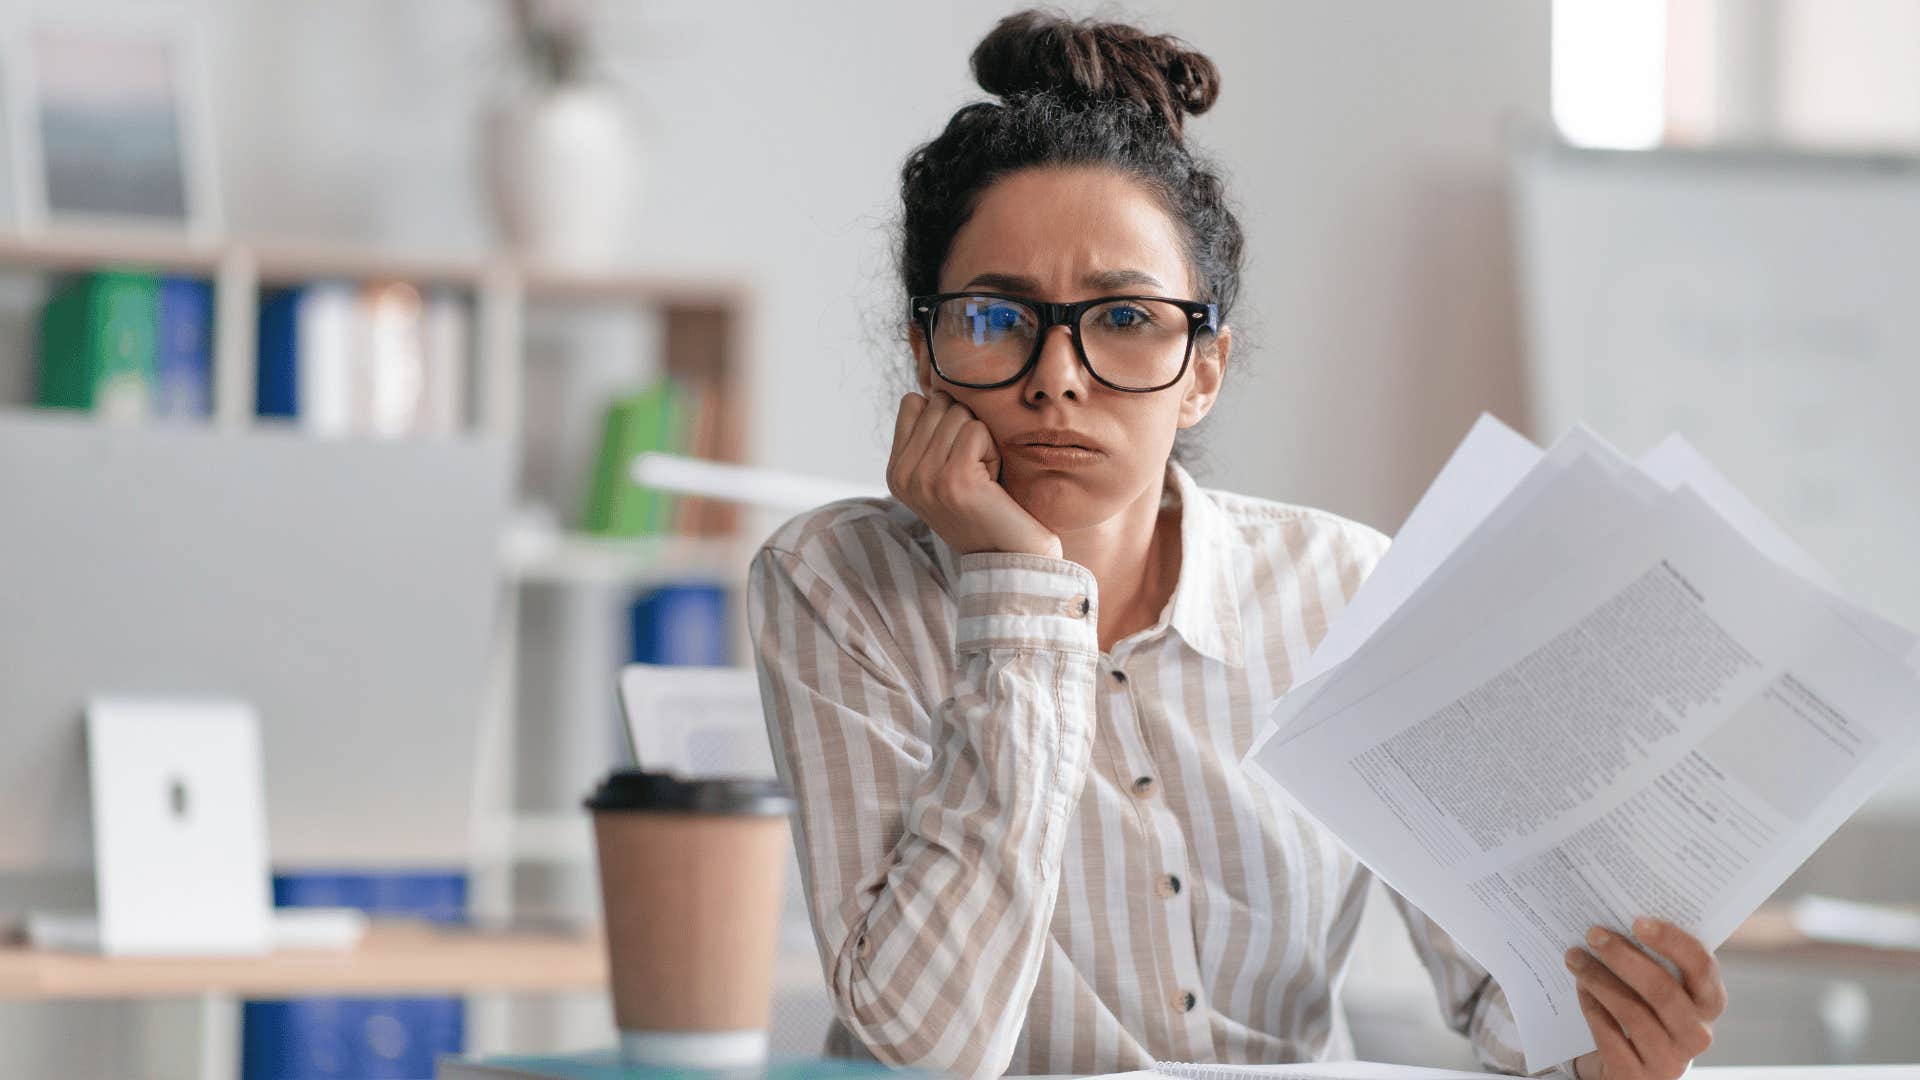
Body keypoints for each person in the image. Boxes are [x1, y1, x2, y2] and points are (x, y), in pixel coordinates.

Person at [746, 11, 1727, 1080]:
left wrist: (1599, 1039)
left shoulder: (1348, 590)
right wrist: (1018, 592)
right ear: (926, 354)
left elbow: (1505, 987)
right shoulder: (833, 584)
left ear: (1204, 370)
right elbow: (928, 1049)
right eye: (994, 317)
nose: (1057, 377)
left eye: (1124, 318)